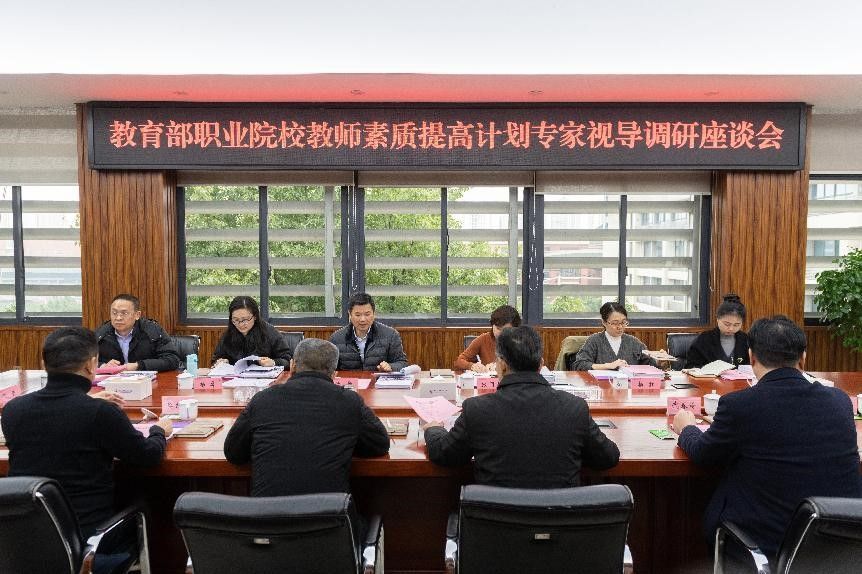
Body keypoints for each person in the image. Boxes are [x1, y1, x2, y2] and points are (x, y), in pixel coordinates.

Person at [673, 315, 862, 563]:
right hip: (839, 543)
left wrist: (687, 428)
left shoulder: (740, 405)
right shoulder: (839, 401)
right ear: (803, 358)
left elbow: (704, 455)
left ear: (751, 357)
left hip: (766, 546)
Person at [1, 327, 172, 539]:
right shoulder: (100, 413)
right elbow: (148, 455)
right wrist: (159, 431)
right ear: (92, 365)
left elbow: (57, 419)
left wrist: (88, 400)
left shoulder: (13, 410)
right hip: (88, 537)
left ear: (43, 365)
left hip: (23, 537)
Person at [423, 326, 620, 487]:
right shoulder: (574, 407)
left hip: (496, 520)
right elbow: (608, 457)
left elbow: (444, 455)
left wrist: (433, 429)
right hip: (558, 519)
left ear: (501, 365)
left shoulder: (477, 409)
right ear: (541, 364)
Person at [223, 338, 390, 496]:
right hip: (329, 514)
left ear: (292, 365)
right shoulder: (349, 401)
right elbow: (380, 444)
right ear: (334, 374)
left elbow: (234, 453)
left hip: (266, 514)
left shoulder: (262, 399)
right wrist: (345, 443)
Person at [95, 293, 180, 372]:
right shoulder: (101, 334)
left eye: (124, 313)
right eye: (114, 313)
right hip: (113, 381)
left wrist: (139, 365)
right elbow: (87, 359)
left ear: (137, 315)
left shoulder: (152, 330)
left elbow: (172, 360)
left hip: (148, 381)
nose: (118, 318)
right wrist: (103, 365)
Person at [329, 292, 408, 372]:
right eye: (358, 315)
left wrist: (391, 367)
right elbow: (330, 369)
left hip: (378, 379)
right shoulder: (336, 338)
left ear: (374, 314)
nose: (362, 319)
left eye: (367, 314)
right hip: (349, 380)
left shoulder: (391, 335)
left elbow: (402, 363)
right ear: (350, 314)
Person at [211, 296, 292, 367]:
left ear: (255, 316)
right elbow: (215, 359)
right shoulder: (228, 334)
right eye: (236, 320)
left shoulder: (269, 332)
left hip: (265, 378)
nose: (241, 324)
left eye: (245, 320)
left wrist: (273, 362)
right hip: (235, 378)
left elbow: (288, 360)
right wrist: (220, 362)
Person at [571, 301, 654, 370]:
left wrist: (659, 359)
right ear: (604, 322)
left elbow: (650, 363)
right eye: (615, 323)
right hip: (601, 384)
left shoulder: (633, 342)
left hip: (628, 384)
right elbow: (579, 364)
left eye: (623, 322)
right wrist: (608, 366)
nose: (620, 327)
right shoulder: (594, 340)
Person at [685, 293, 750, 368]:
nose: (731, 328)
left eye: (736, 325)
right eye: (727, 324)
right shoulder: (704, 339)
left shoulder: (745, 340)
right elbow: (691, 367)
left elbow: (751, 366)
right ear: (718, 319)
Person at [453, 304, 521, 372]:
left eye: (505, 330)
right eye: (498, 328)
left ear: (515, 329)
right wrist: (472, 366)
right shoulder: (483, 339)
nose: (500, 333)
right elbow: (458, 362)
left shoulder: (521, 341)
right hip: (489, 378)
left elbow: (525, 366)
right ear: (492, 325)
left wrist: (498, 366)